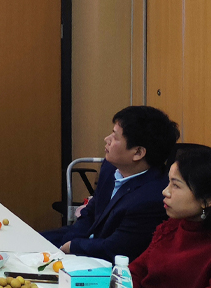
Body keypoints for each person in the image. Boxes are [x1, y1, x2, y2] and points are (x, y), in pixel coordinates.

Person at [41, 106, 179, 262]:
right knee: (31, 243)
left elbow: (116, 248)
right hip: (87, 245)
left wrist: (73, 246)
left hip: (110, 263)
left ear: (138, 153)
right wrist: (67, 241)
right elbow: (91, 212)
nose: (107, 139)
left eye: (115, 137)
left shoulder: (151, 198)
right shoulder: (110, 167)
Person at [132, 144, 211, 288]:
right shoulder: (172, 227)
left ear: (207, 200)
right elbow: (136, 270)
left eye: (175, 185)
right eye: (168, 183)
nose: (165, 192)